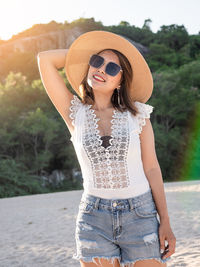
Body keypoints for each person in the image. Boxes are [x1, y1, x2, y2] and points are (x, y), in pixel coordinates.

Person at [37, 30, 176, 267]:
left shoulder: (138, 115)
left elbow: (152, 168)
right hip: (93, 218)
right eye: (97, 62)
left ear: (121, 81)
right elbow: (44, 59)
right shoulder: (74, 113)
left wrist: (165, 221)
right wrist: (87, 55)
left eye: (112, 68)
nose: (101, 69)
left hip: (140, 215)